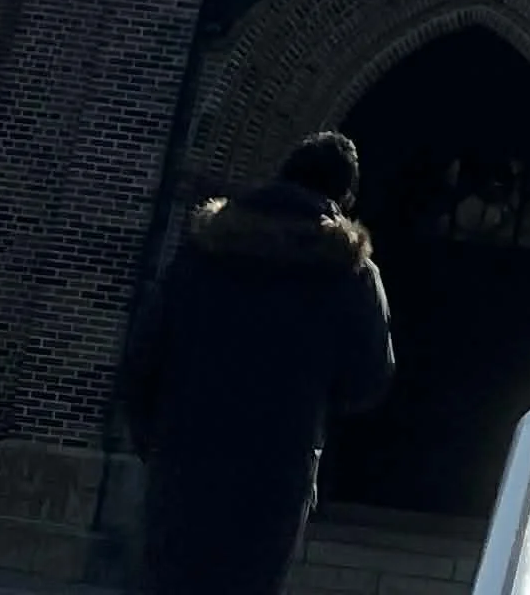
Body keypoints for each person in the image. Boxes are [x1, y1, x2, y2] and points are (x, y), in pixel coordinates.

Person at [120, 129, 392, 595]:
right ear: (343, 196)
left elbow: (144, 353)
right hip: (277, 464)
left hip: (186, 453)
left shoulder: (206, 248)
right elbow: (369, 377)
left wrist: (154, 438)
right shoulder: (348, 269)